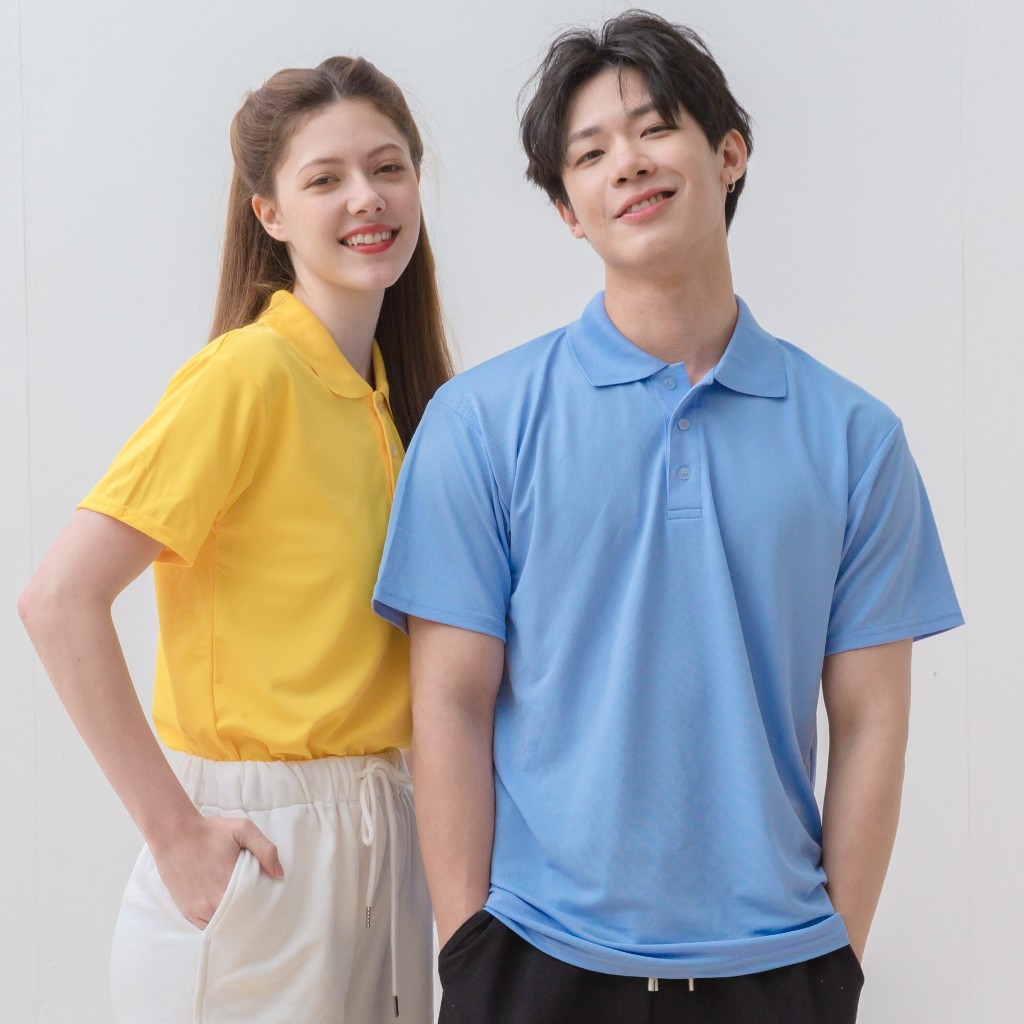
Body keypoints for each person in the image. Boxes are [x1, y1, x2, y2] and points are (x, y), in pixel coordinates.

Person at [372, 11, 963, 1024]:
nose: (628, 164)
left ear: (728, 154)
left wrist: (838, 959)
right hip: (534, 957)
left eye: (654, 129)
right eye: (590, 154)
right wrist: (467, 954)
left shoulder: (855, 438)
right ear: (568, 210)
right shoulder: (479, 423)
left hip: (779, 967)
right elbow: (451, 705)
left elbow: (871, 719)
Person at [19, 56, 452, 1023]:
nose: (367, 198)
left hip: (382, 841)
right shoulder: (248, 375)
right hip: (266, 851)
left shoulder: (394, 403)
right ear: (270, 214)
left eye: (388, 168)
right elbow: (58, 601)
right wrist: (173, 833)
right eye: (325, 178)